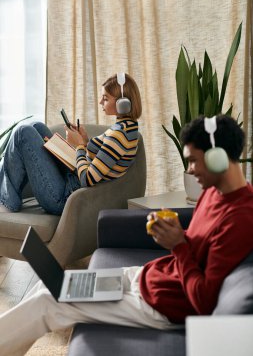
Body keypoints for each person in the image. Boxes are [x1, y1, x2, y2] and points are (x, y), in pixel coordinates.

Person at [1, 114, 253, 356]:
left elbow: (204, 300)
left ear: (219, 159)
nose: (190, 169)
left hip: (162, 306)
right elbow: (203, 246)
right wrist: (177, 234)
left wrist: (177, 244)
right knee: (53, 285)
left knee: (48, 302)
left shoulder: (240, 218)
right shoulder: (214, 191)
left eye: (194, 161)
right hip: (152, 279)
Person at [0, 73, 142, 215]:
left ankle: (6, 201)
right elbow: (103, 159)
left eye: (105, 99)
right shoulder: (128, 128)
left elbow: (88, 179)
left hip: (65, 197)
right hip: (72, 181)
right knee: (37, 126)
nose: (100, 102)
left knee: (22, 132)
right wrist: (85, 140)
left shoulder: (118, 136)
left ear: (122, 104)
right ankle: (7, 195)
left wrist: (79, 146)